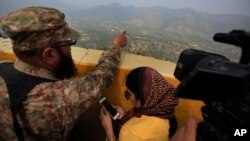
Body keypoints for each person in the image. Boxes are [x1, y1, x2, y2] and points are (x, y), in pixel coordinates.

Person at [0, 6, 127, 141]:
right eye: (68, 43)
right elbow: (102, 76)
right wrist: (116, 46)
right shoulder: (62, 99)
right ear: (49, 55)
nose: (70, 48)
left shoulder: (2, 67)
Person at [100, 67, 179, 141]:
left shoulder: (131, 134)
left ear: (142, 99)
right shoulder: (166, 111)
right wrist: (125, 116)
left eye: (128, 94)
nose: (127, 99)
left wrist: (109, 133)